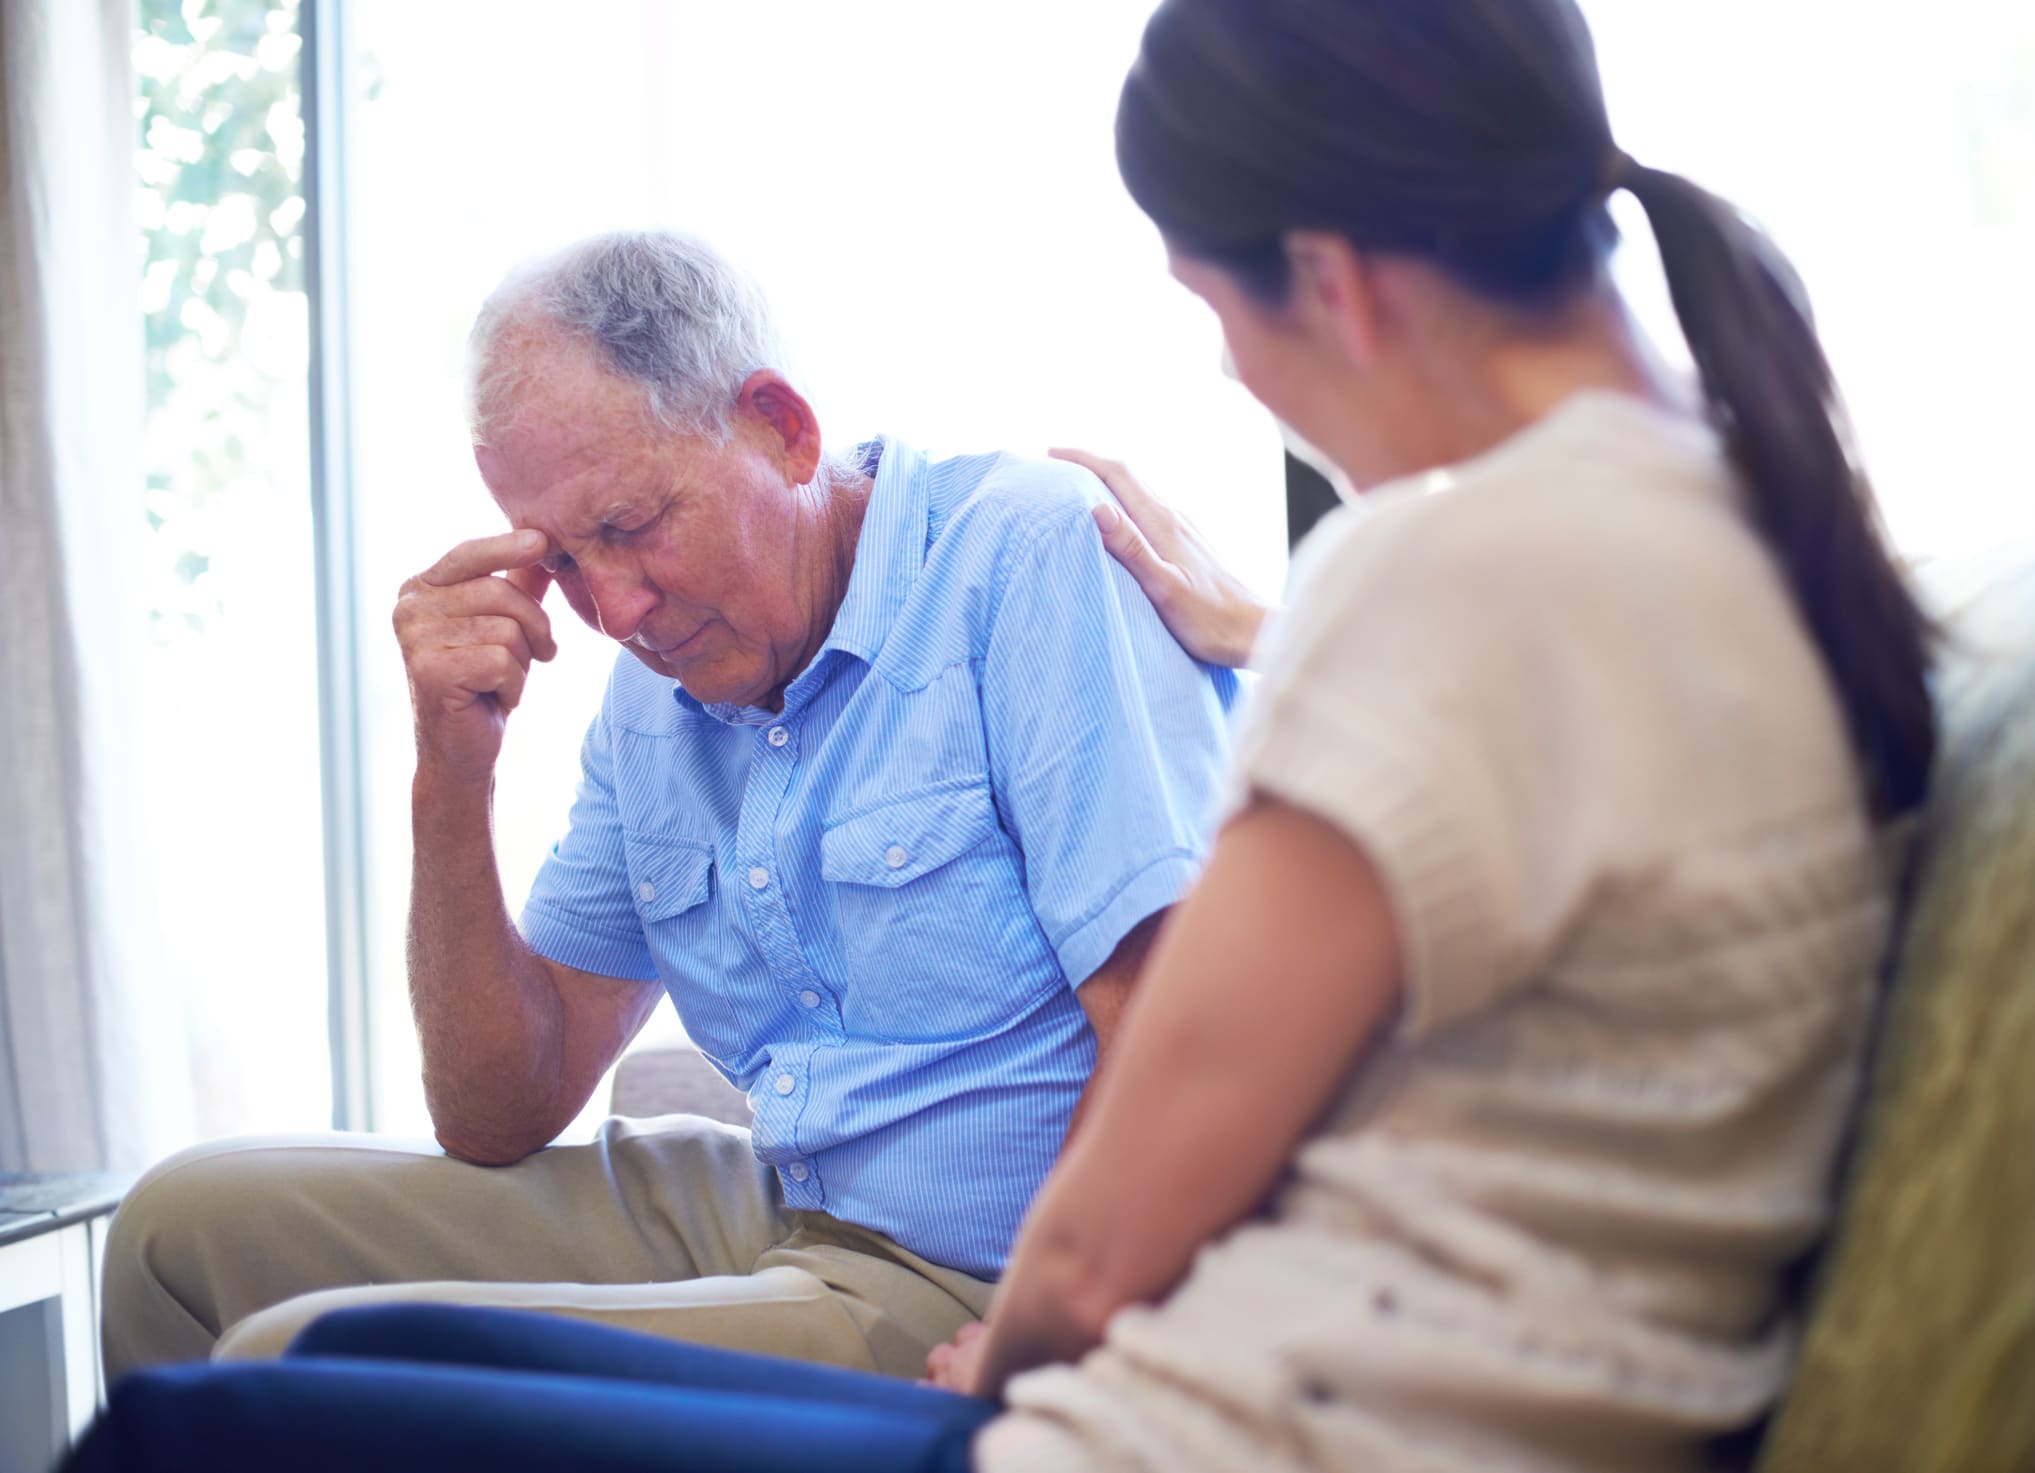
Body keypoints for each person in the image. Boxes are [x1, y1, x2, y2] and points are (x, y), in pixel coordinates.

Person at [72, 0, 1937, 1468]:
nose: (1229, 373)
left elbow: (1142, 1175)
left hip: (1186, 1409)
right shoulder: (1738, 536)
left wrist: (1030, 1340)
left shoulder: (1436, 571)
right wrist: (1284, 641)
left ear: (1336, 277)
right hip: (1203, 1364)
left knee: (234, 1407)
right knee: (243, 1284)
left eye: (1214, 310)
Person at [96, 231, 1239, 1383]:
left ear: (782, 429)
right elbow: (499, 1111)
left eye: (632, 527)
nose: (615, 609)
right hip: (783, 1203)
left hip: (978, 1277)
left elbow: (1176, 1025)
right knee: (175, 1230)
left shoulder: (1026, 553)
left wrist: (1054, 1314)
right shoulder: (657, 696)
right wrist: (452, 770)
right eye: (567, 562)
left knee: (301, 1357)